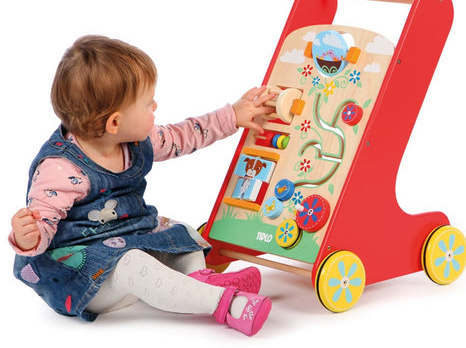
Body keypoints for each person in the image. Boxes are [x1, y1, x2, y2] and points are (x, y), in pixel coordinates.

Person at [9, 35, 275, 336]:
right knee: (132, 263)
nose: (155, 106)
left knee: (180, 231)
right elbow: (42, 225)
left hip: (128, 239)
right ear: (115, 123)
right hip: (85, 273)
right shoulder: (60, 169)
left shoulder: (137, 140)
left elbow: (184, 135)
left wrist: (233, 117)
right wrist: (29, 237)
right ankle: (225, 304)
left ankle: (198, 279)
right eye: (148, 104)